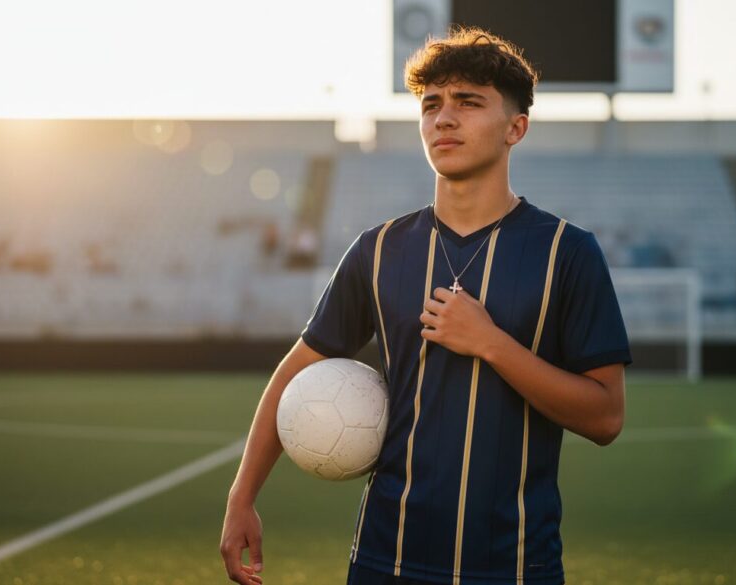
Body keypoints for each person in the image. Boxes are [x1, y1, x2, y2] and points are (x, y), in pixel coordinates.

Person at [220, 27, 632, 585]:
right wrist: (242, 495)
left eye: (468, 102)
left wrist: (491, 343)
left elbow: (606, 417)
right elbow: (296, 371)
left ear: (516, 127)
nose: (443, 118)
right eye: (431, 104)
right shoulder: (380, 248)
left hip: (515, 566)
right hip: (384, 561)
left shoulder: (567, 252)